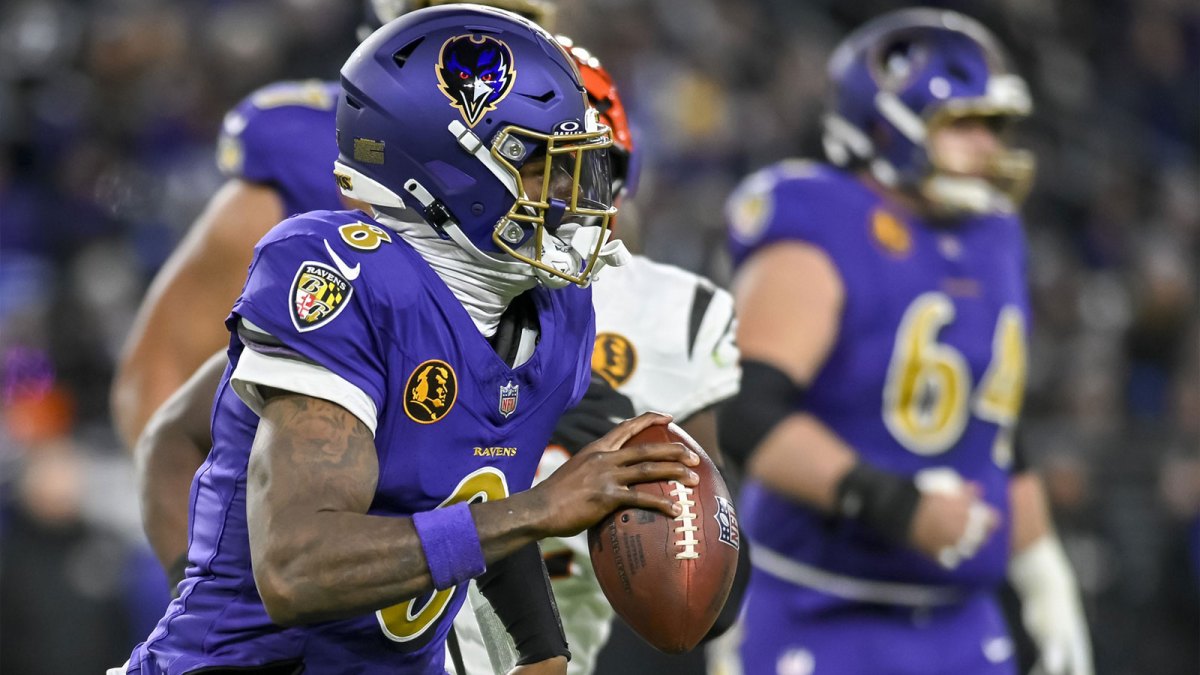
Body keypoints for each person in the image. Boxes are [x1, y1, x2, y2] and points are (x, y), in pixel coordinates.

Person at [129, 18, 747, 674]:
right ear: (450, 173)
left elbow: (480, 486)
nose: (573, 195)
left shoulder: (556, 311)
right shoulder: (347, 277)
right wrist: (539, 508)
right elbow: (294, 567)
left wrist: (542, 651)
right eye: (542, 165)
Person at [111, 0, 555, 584]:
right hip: (320, 562)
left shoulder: (563, 170)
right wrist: (213, 587)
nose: (504, 41)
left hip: (487, 564)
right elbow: (159, 388)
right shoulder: (305, 158)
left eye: (522, 17)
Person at [718, 8, 1091, 675]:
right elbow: (749, 413)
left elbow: (996, 423)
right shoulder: (822, 220)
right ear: (888, 123)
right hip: (824, 608)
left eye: (995, 126)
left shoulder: (994, 234)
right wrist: (895, 503)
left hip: (960, 612)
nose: (989, 146)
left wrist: (1042, 572)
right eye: (966, 124)